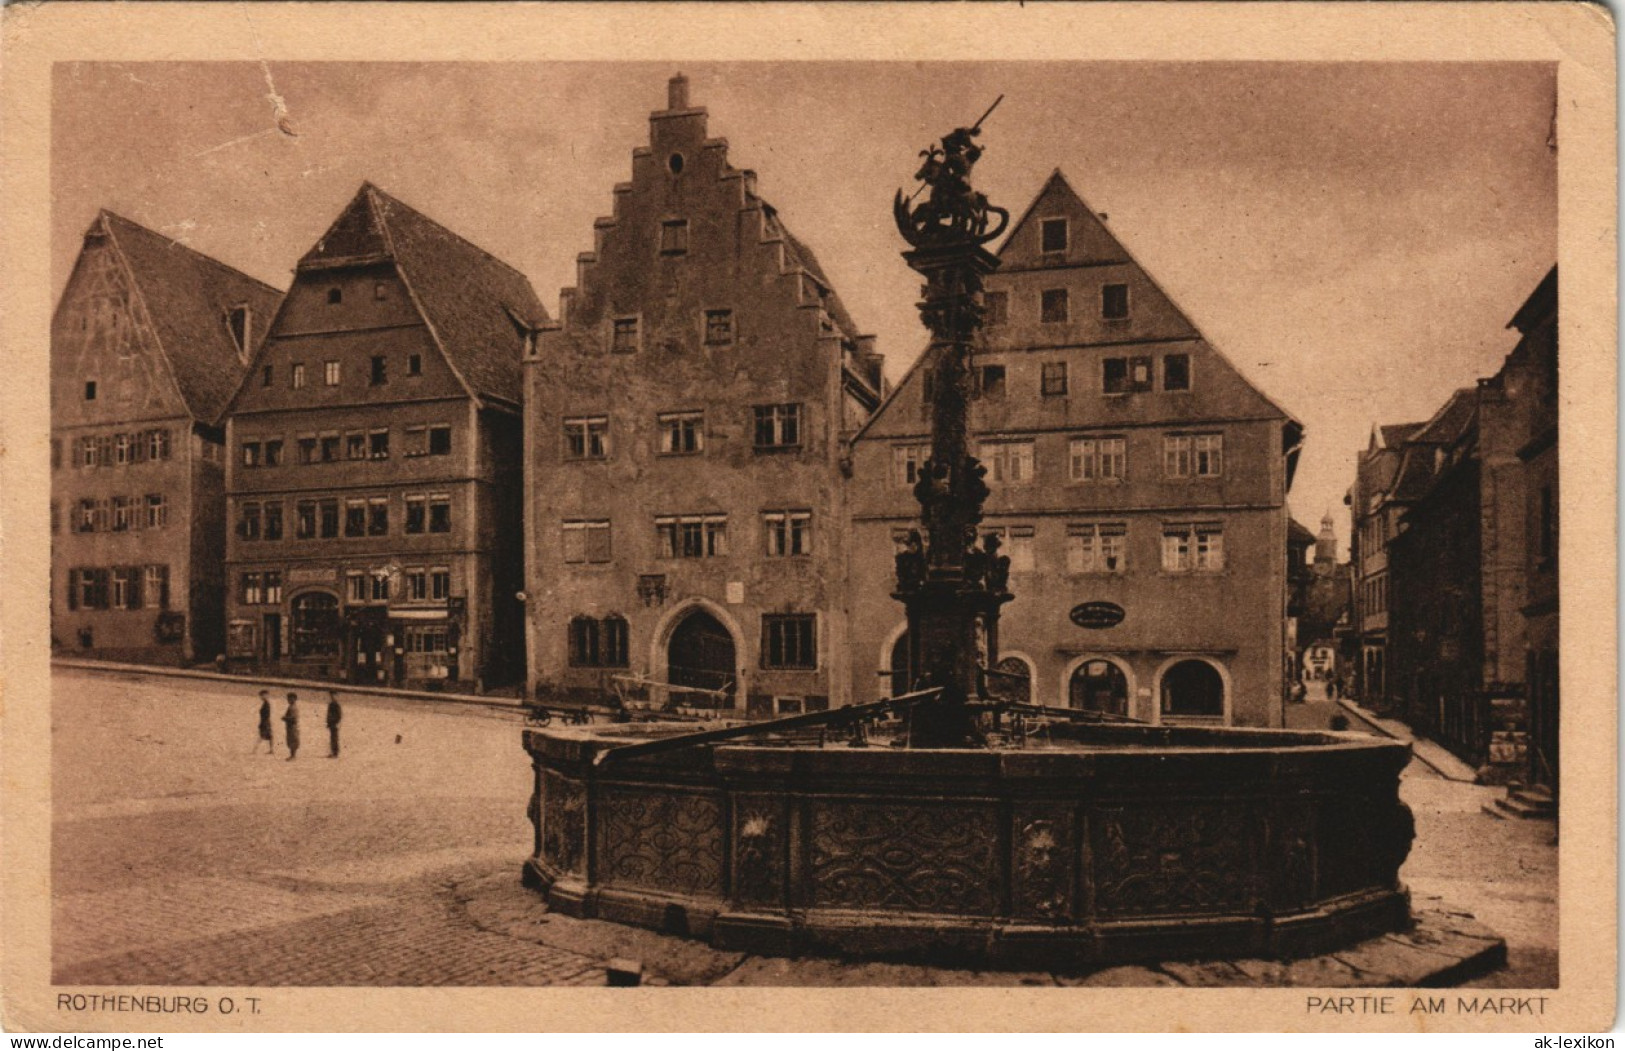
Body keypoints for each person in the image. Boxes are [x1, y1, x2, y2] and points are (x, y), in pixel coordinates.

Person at [282, 692, 300, 761]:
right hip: (290, 726)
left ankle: (293, 756)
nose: (288, 700)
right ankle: (292, 756)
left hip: (293, 727)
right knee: (290, 740)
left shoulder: (293, 708)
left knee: (293, 740)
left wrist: (285, 718)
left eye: (289, 698)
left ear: (293, 699)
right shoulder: (291, 707)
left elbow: (293, 718)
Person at [257, 690, 275, 755]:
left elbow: (266, 715)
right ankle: (271, 750)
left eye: (262, 696)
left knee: (263, 736)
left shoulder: (266, 704)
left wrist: (263, 722)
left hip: (265, 721)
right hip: (265, 721)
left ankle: (255, 749)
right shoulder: (266, 703)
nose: (261, 697)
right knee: (268, 736)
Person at [326, 691, 343, 758]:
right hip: (331, 723)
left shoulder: (337, 705)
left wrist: (337, 723)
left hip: (335, 723)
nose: (332, 697)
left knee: (335, 738)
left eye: (334, 696)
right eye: (331, 696)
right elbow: (328, 714)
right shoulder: (331, 704)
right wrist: (328, 722)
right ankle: (332, 751)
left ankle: (335, 753)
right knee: (332, 738)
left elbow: (339, 715)